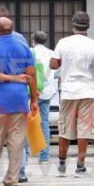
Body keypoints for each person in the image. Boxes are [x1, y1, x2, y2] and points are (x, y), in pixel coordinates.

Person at [0, 18, 38, 186]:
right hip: (19, 99)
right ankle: (12, 178)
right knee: (17, 140)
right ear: (12, 30)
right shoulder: (24, 47)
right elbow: (31, 75)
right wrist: (34, 99)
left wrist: (12, 78)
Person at [49, 12, 94, 174]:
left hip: (68, 92)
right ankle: (80, 165)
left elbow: (53, 65)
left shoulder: (63, 43)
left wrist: (62, 63)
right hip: (88, 92)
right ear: (89, 26)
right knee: (84, 130)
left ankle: (62, 164)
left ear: (72, 25)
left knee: (65, 128)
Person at [30, 31, 57, 164]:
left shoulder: (30, 51)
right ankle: (44, 156)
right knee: (44, 123)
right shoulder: (52, 53)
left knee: (28, 122)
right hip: (47, 91)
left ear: (33, 40)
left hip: (32, 91)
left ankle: (26, 155)